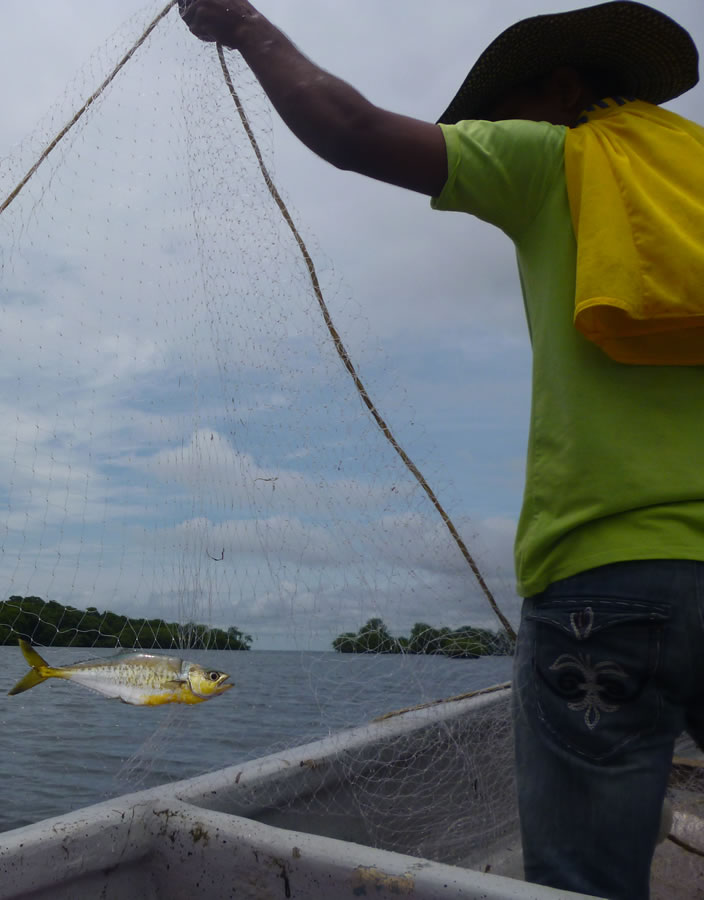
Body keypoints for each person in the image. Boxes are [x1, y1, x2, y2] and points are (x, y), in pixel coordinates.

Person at [178, 2, 704, 897]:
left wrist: (243, 25)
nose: (492, 133)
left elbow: (350, 131)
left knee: (581, 881)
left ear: (566, 90)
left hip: (607, 578)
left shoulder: (567, 157)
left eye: (504, 112)